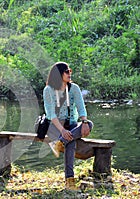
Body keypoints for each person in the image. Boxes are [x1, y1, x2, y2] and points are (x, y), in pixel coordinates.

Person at [43, 61, 93, 191]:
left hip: (71, 123)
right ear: (58, 75)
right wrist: (62, 130)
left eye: (69, 71)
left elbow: (81, 108)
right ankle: (69, 181)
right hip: (54, 126)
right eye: (66, 71)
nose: (69, 73)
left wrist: (85, 122)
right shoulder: (48, 90)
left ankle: (59, 143)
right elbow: (51, 114)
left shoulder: (74, 88)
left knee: (88, 125)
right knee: (70, 141)